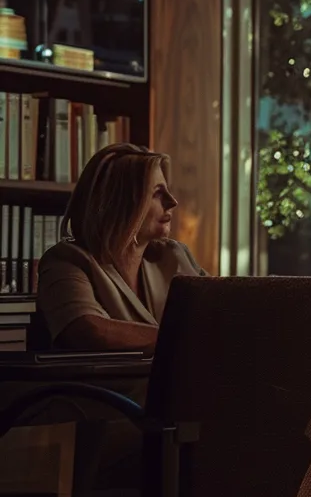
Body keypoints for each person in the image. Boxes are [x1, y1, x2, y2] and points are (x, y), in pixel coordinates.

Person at [37, 143, 205, 352]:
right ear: (122, 202)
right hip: (110, 384)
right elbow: (87, 332)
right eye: (156, 193)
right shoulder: (66, 261)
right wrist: (189, 337)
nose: (172, 201)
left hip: (180, 383)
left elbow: (220, 311)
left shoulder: (175, 256)